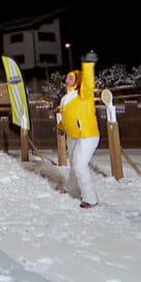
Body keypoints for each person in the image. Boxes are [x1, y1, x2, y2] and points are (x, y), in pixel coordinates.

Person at [58, 51, 101, 208]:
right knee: (74, 163)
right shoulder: (64, 99)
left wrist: (88, 65)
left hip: (86, 134)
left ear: (77, 81)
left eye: (71, 78)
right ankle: (71, 189)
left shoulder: (83, 94)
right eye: (67, 77)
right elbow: (66, 118)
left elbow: (89, 82)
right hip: (73, 135)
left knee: (80, 165)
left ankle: (91, 199)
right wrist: (60, 126)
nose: (67, 80)